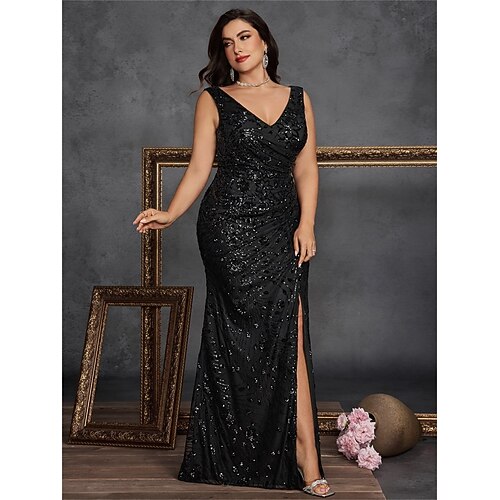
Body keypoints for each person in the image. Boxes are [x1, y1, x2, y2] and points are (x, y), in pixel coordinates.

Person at [132, 8, 334, 498]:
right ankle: (264, 450)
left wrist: (307, 223)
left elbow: (306, 167)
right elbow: (200, 167)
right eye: (227, 42)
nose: (237, 48)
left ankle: (304, 453)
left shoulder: (300, 98)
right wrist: (171, 213)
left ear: (264, 42)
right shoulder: (214, 99)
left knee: (290, 328)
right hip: (228, 228)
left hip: (282, 228)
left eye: (244, 37)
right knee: (243, 336)